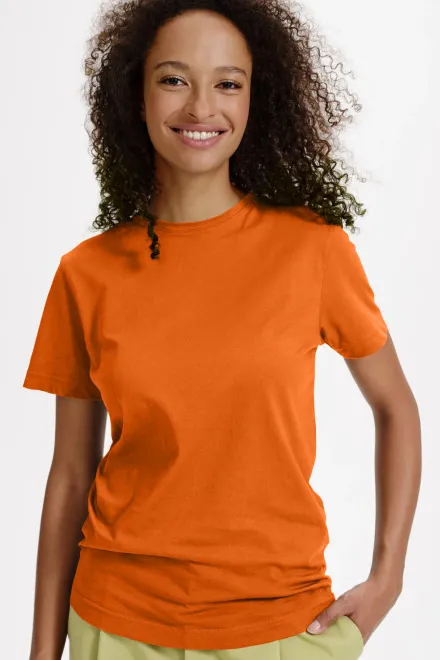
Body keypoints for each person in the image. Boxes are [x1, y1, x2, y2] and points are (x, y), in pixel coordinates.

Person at [23, 1, 422, 659]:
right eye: (174, 79)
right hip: (114, 624)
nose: (201, 106)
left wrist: (389, 578)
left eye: (228, 83)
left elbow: (395, 406)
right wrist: (43, 652)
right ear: (137, 95)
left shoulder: (313, 250)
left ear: (256, 99)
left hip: (279, 625)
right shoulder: (86, 274)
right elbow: (70, 473)